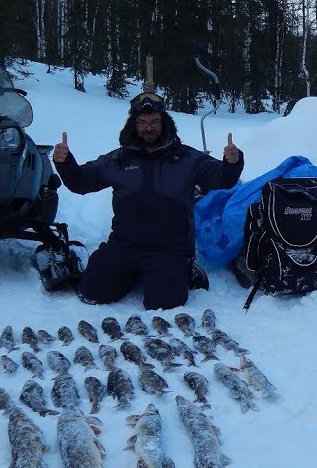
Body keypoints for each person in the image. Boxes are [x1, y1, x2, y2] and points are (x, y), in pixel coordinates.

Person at [52, 91, 244, 310]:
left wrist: (232, 163)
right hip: (125, 245)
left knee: (165, 305)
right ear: (133, 125)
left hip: (169, 249)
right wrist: (65, 162)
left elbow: (222, 178)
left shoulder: (188, 158)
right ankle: (132, 272)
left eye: (154, 122)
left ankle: (180, 270)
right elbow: (81, 182)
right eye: (142, 122)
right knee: (91, 293)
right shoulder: (118, 159)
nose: (148, 127)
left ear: (165, 123)